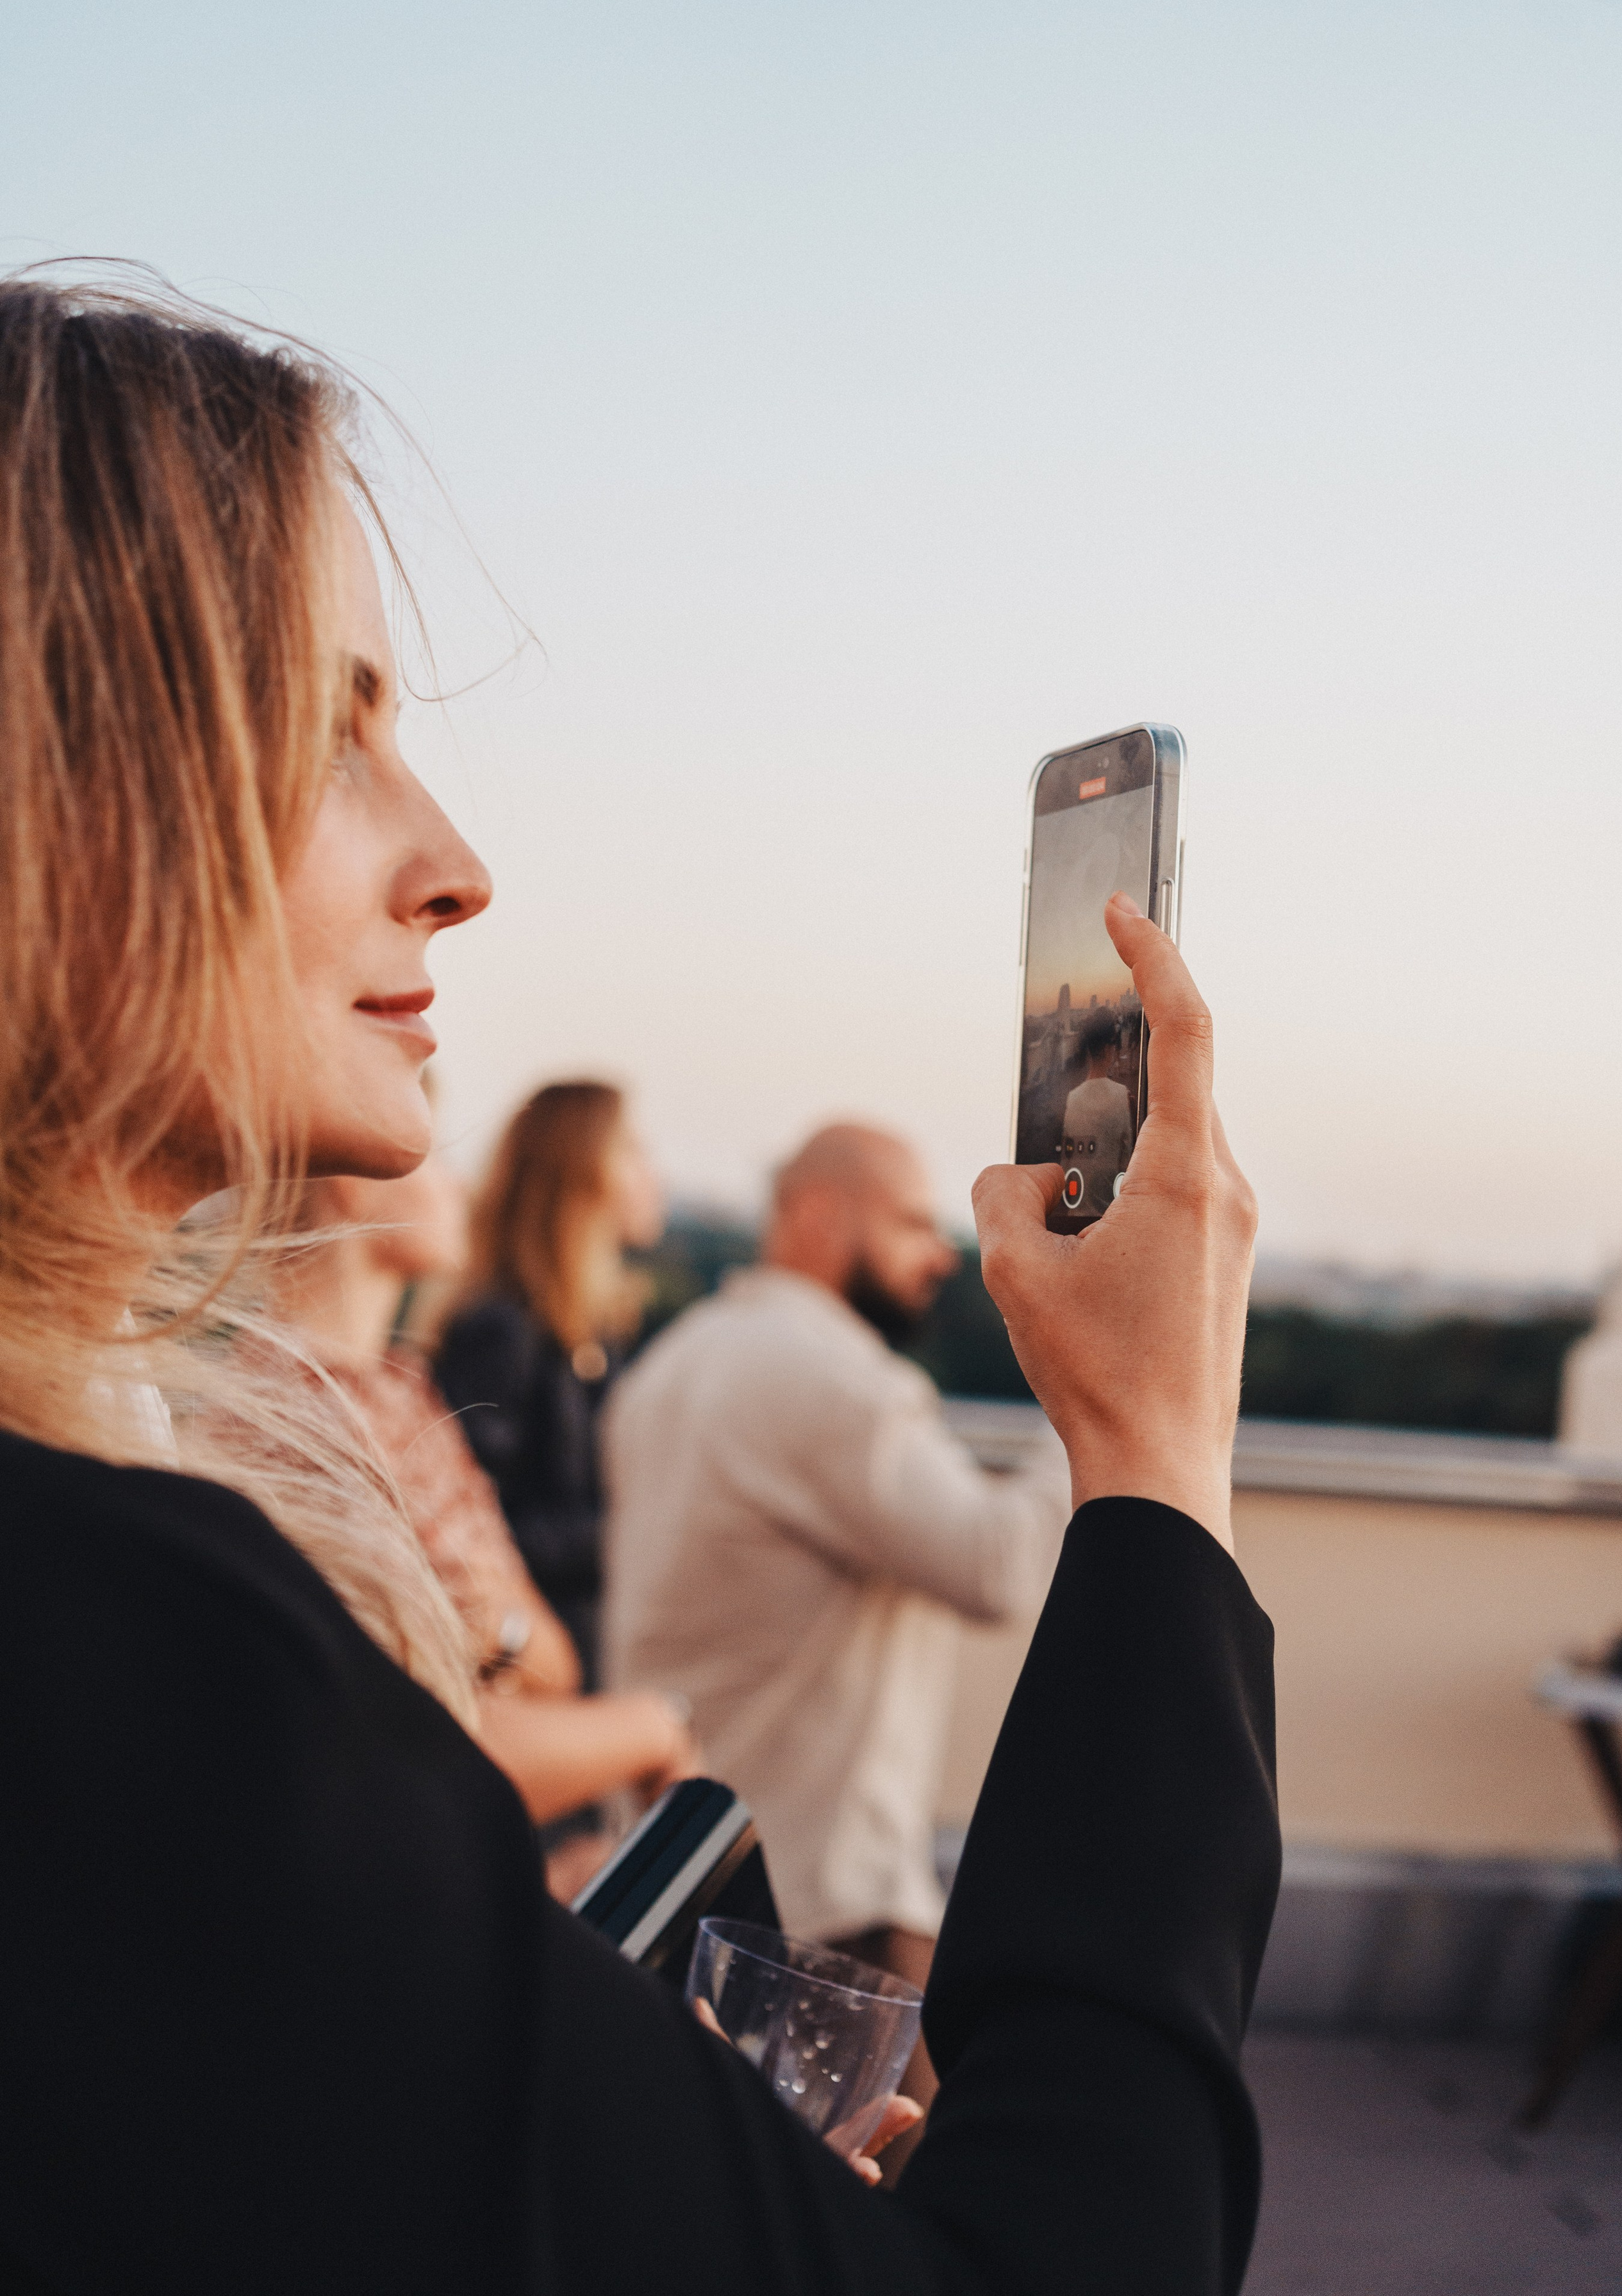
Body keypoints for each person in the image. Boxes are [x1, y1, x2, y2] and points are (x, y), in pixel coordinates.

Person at [0, 270, 1277, 2296]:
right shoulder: (109, 1644)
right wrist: (1153, 1456)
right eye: (322, 732)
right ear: (57, 789)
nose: (454, 856)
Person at [602, 1123, 1070, 2054]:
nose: (941, 1254)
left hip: (686, 1873)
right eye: (908, 1223)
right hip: (822, 1902)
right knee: (892, 2192)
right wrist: (1096, 1392)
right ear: (816, 1213)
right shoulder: (830, 1379)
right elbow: (1000, 1566)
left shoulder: (676, 1361)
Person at [272, 1157, 696, 1867]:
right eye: (434, 1161)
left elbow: (555, 1661)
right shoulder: (284, 1412)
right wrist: (647, 1725)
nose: (462, 1187)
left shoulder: (409, 1394)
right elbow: (393, 1738)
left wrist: (480, 1628)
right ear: (354, 1179)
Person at [436, 1080, 663, 1685]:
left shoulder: (589, 1334)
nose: (652, 1172)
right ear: (581, 1169)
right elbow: (466, 1523)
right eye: (632, 1150)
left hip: (579, 1649)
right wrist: (631, 1534)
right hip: (524, 1671)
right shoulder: (501, 1330)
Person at [1060, 1005, 1135, 1210]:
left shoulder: (1072, 1098)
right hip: (1110, 1210)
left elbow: (1067, 1163)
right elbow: (1126, 1160)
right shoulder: (1121, 1095)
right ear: (1106, 1049)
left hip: (1076, 1207)